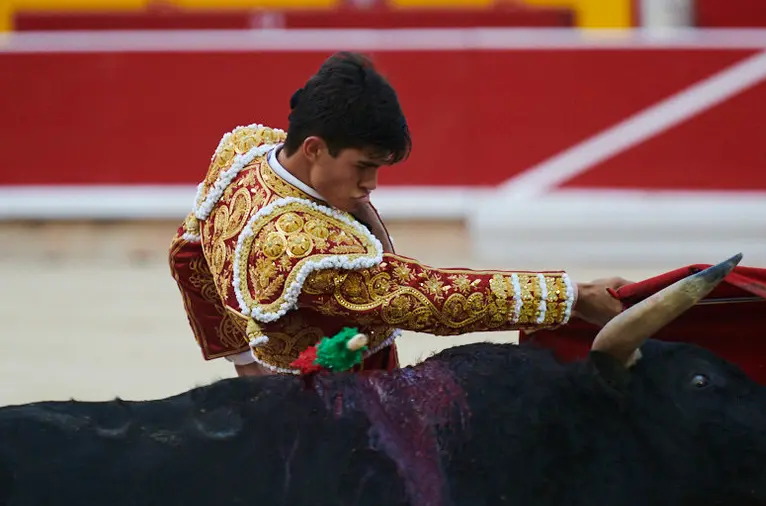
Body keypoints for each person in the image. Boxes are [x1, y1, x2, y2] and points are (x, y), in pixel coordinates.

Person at [169, 51, 630, 377]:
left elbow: (188, 257)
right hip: (334, 410)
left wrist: (244, 362)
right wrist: (571, 295)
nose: (370, 184)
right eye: (363, 167)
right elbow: (427, 299)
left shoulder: (242, 154)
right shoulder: (300, 243)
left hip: (297, 387)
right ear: (314, 149)